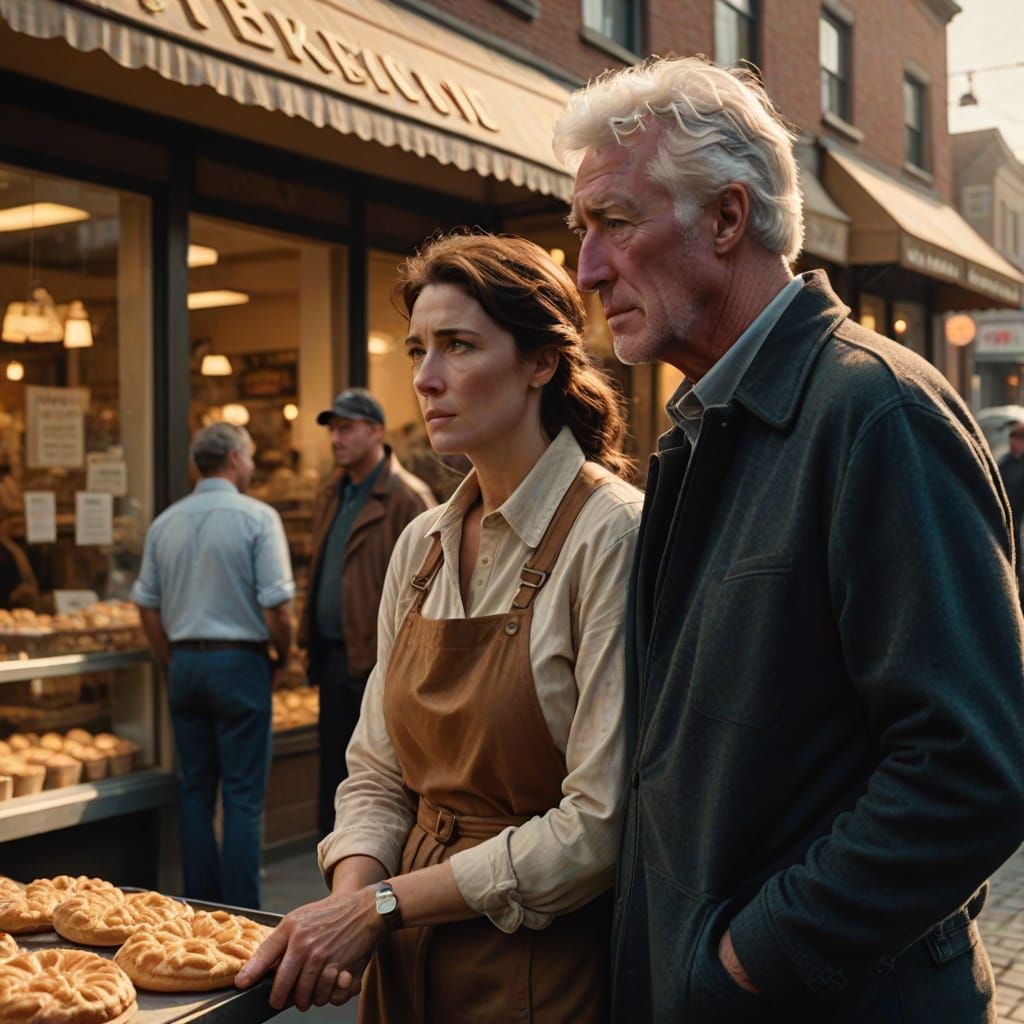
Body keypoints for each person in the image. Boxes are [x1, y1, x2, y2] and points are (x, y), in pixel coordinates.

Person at [553, 56, 1024, 1023]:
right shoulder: (704, 424)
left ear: (728, 219)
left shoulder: (876, 412)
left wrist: (749, 958)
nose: (587, 271)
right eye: (581, 233)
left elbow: (973, 769)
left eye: (615, 223)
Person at [237, 232, 643, 1020]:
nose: (424, 379)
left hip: (538, 971)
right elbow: (377, 771)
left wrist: (381, 907)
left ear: (540, 362)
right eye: (418, 348)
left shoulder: (611, 535)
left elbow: (599, 826)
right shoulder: (420, 545)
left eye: (458, 347)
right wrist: (343, 910)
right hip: (400, 964)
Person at [133, 422, 294, 909]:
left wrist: (169, 657)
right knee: (243, 797)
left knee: (196, 792)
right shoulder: (258, 518)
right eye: (249, 456)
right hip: (240, 662)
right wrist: (283, 656)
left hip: (186, 663)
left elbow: (146, 604)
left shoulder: (165, 521)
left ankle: (199, 906)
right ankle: (243, 911)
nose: (251, 465)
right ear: (233, 460)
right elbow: (278, 609)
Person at [301, 388, 435, 838]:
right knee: (333, 784)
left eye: (346, 428)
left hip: (379, 666)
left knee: (376, 784)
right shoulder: (332, 493)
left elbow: (433, 588)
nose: (336, 439)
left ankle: (370, 890)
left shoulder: (407, 497)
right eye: (332, 430)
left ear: (376, 431)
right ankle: (333, 877)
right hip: (333, 661)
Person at [999, 421, 1024, 577]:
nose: (1013, 444)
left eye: (1016, 441)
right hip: (1008, 515)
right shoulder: (1005, 462)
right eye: (1011, 440)